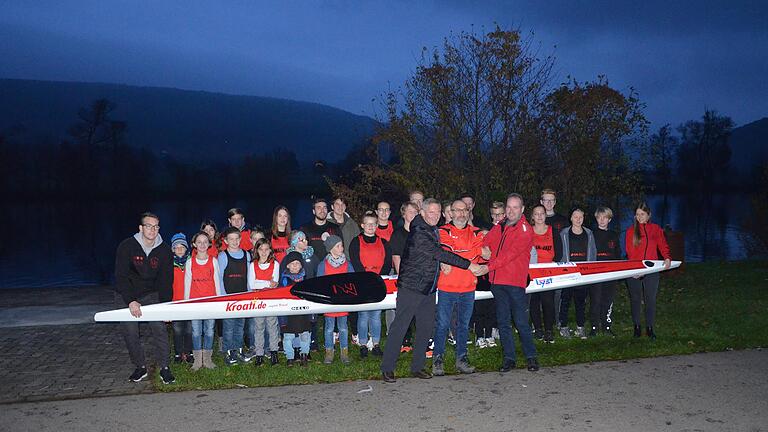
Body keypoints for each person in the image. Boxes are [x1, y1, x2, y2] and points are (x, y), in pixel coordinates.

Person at [380, 198, 487, 383]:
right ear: (422, 212)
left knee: (426, 328)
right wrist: (469, 265)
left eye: (438, 212)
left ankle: (417, 367)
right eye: (431, 212)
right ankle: (387, 368)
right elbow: (440, 253)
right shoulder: (420, 231)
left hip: (429, 288)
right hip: (411, 287)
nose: (435, 215)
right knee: (400, 326)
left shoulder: (433, 229)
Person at [114, 212, 175, 384]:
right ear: (141, 228)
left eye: (156, 226)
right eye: (149, 226)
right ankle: (140, 366)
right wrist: (130, 301)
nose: (152, 229)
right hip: (126, 294)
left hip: (151, 294)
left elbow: (165, 281)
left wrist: (165, 307)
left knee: (159, 329)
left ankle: (164, 367)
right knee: (131, 332)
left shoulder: (164, 250)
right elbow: (121, 276)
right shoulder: (127, 246)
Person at [482, 194, 540, 373]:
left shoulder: (525, 230)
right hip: (498, 282)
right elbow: (486, 242)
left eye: (515, 207)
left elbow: (509, 255)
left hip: (514, 283)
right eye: (509, 207)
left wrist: (487, 267)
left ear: (522, 209)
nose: (511, 210)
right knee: (503, 322)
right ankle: (509, 358)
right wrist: (482, 246)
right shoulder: (499, 226)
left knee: (521, 322)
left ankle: (531, 357)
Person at [432, 200, 485, 376]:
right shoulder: (443, 231)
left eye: (464, 210)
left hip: (468, 287)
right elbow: (447, 254)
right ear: (451, 213)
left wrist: (458, 255)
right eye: (457, 210)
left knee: (463, 325)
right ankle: (437, 360)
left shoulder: (477, 232)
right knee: (442, 325)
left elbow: (480, 255)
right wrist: (468, 255)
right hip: (447, 287)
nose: (461, 214)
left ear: (469, 212)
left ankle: (461, 359)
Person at [625, 202, 672, 339]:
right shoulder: (630, 231)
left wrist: (667, 257)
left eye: (642, 214)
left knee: (650, 300)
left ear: (648, 215)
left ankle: (650, 328)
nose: (640, 217)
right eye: (637, 214)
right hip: (634, 270)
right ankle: (637, 327)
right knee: (635, 299)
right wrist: (637, 270)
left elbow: (662, 244)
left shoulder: (655, 229)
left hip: (652, 271)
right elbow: (630, 252)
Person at [348, 211, 392, 357]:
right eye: (368, 224)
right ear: (362, 225)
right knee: (363, 315)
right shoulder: (356, 242)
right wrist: (367, 277)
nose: (371, 226)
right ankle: (363, 344)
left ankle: (376, 344)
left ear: (377, 225)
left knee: (376, 315)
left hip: (378, 283)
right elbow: (355, 261)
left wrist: (378, 278)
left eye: (373, 224)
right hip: (363, 282)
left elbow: (387, 262)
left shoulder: (384, 243)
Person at [184, 231, 223, 371]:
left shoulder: (213, 261)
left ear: (209, 244)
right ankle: (197, 360)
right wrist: (186, 302)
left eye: (205, 242)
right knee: (196, 331)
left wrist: (218, 300)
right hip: (195, 303)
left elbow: (217, 282)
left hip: (211, 303)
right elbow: (187, 283)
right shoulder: (190, 262)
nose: (202, 244)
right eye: (199, 242)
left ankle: (207, 359)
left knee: (209, 331)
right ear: (194, 244)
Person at [558, 207, 597, 340]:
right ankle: (563, 327)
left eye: (581, 217)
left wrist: (590, 271)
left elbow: (593, 254)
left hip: (583, 275)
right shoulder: (563, 233)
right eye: (575, 216)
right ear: (571, 218)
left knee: (581, 303)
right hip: (567, 274)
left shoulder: (589, 233)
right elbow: (559, 253)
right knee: (565, 302)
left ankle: (580, 328)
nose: (578, 219)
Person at [317, 235, 356, 364]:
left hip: (343, 301)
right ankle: (329, 352)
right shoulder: (323, 265)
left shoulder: (347, 264)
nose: (342, 248)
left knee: (343, 327)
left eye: (341, 245)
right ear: (331, 249)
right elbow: (320, 283)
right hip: (330, 302)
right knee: (329, 328)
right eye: (338, 246)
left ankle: (344, 352)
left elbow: (352, 281)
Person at [386, 201, 419, 349]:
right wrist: (403, 277)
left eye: (415, 212)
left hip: (422, 277)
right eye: (410, 211)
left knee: (420, 311)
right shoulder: (398, 234)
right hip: (406, 278)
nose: (413, 214)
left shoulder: (421, 232)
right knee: (405, 310)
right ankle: (405, 341)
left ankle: (423, 341)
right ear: (404, 214)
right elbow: (396, 256)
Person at [472, 201, 504, 349]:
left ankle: (490, 334)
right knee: (479, 308)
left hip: (493, 277)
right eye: (494, 214)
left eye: (500, 214)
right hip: (479, 279)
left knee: (492, 307)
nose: (497, 217)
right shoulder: (478, 246)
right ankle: (479, 335)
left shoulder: (506, 230)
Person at [218, 227, 251, 365]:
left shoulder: (246, 255)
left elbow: (248, 276)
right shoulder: (223, 256)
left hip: (243, 296)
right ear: (226, 241)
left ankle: (238, 349)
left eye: (236, 238)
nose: (234, 241)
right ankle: (228, 351)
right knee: (229, 327)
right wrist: (224, 297)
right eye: (231, 239)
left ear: (240, 239)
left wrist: (249, 294)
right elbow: (219, 278)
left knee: (240, 326)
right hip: (229, 298)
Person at [246, 238, 281, 366]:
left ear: (270, 250)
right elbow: (251, 284)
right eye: (261, 249)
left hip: (271, 300)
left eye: (266, 249)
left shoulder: (275, 264)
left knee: (272, 327)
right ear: (257, 250)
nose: (264, 252)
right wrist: (267, 283)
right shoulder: (253, 265)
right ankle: (259, 354)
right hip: (257, 301)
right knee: (258, 327)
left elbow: (275, 284)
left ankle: (274, 352)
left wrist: (260, 283)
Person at [529, 205, 560, 343]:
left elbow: (559, 252)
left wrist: (554, 265)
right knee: (533, 302)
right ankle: (538, 329)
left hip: (548, 272)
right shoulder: (528, 232)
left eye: (542, 213)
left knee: (548, 302)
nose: (540, 216)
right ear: (533, 216)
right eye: (537, 214)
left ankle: (549, 330)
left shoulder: (553, 231)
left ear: (545, 215)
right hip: (532, 272)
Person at [589, 206, 621, 337]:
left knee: (608, 300)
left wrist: (618, 270)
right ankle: (594, 327)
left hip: (611, 272)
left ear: (609, 219)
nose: (602, 220)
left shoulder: (614, 235)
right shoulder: (591, 234)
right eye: (599, 217)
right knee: (595, 300)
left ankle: (606, 326)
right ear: (596, 219)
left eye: (605, 218)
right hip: (596, 272)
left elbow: (618, 254)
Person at [280, 251, 313, 366]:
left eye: (297, 263)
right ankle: (290, 356)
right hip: (289, 314)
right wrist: (282, 319)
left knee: (305, 335)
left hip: (303, 313)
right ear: (287, 265)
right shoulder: (284, 280)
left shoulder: (306, 279)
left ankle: (304, 354)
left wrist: (312, 316)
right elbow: (282, 297)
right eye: (292, 263)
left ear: (301, 265)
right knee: (288, 337)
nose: (295, 266)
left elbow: (310, 298)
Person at [170, 233, 193, 364]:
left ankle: (189, 352)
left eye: (182, 247)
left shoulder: (191, 262)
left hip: (189, 301)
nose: (179, 249)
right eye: (176, 247)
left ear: (186, 248)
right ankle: (178, 353)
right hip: (175, 302)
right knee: (177, 329)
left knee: (189, 328)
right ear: (172, 249)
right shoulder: (169, 265)